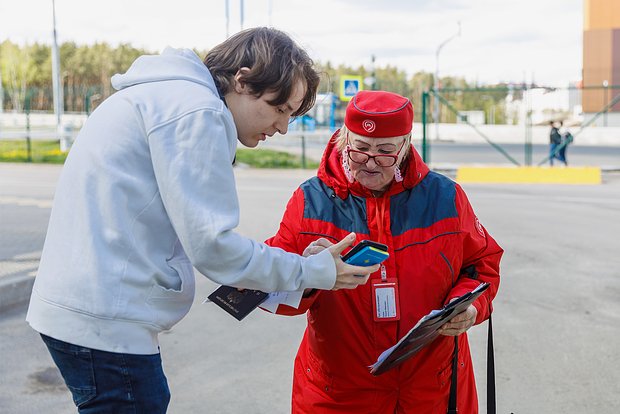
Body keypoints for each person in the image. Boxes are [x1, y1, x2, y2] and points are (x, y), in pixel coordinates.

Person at [26, 27, 377, 413]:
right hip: (106, 319)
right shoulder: (198, 112)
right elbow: (214, 248)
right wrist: (313, 271)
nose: (282, 127)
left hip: (87, 308)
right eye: (279, 109)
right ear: (242, 81)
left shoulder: (165, 96)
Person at [264, 90, 503, 413]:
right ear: (344, 139)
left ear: (405, 147)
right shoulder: (310, 202)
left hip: (432, 389)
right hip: (339, 395)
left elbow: (480, 264)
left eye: (386, 151)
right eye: (360, 149)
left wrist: (472, 306)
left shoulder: (445, 197)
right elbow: (266, 285)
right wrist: (306, 271)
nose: (371, 161)